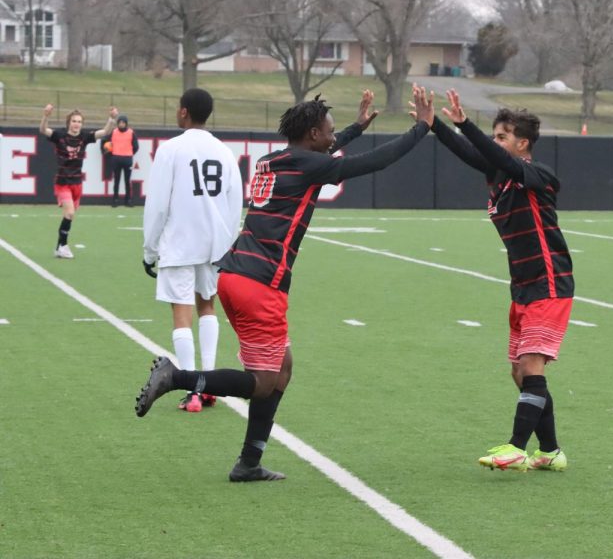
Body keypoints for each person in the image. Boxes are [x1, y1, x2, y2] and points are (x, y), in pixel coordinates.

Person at [135, 85, 435, 482]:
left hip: (234, 275)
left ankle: (249, 462)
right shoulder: (310, 166)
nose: (332, 139)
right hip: (262, 284)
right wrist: (422, 130)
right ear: (312, 136)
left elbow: (323, 153)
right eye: (328, 132)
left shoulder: (274, 160)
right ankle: (178, 378)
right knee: (263, 383)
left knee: (283, 368)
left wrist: (355, 127)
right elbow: (375, 163)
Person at [430, 89, 574, 472]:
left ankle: (515, 447)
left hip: (549, 282)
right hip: (523, 286)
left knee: (530, 365)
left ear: (522, 143)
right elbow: (473, 155)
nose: (495, 143)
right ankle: (551, 451)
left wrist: (463, 124)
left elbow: (489, 155)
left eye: (502, 136)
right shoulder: (501, 176)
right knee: (520, 371)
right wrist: (434, 125)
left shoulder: (537, 175)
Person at [142, 88, 243, 413]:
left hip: (180, 242)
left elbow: (157, 205)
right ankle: (209, 384)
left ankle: (192, 392)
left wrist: (149, 249)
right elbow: (234, 203)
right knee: (207, 307)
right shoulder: (225, 152)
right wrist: (226, 245)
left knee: (181, 313)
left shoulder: (171, 149)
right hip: (215, 244)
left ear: (183, 112)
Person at [39, 104, 118, 258]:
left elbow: (106, 131)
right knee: (69, 212)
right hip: (62, 182)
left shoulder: (84, 137)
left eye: (79, 122)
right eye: (74, 121)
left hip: (77, 183)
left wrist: (112, 118)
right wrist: (46, 116)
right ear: (69, 122)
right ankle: (63, 245)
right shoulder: (59, 136)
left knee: (70, 215)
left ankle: (59, 246)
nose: (77, 124)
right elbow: (43, 130)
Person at [102, 114, 140, 207]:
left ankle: (128, 201)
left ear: (126, 124)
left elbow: (136, 146)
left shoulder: (131, 133)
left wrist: (129, 153)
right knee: (117, 181)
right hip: (116, 159)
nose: (121, 124)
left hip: (127, 160)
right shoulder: (114, 132)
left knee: (127, 181)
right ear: (117, 123)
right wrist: (109, 152)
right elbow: (105, 140)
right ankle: (115, 200)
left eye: (123, 122)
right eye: (120, 122)